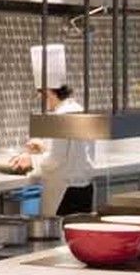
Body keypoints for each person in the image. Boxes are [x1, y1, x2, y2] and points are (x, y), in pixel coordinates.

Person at [29, 40, 98, 222]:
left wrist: (31, 160)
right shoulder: (79, 109)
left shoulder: (60, 117)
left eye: (40, 95)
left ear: (47, 92)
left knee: (59, 237)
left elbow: (55, 160)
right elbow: (74, 152)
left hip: (65, 194)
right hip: (85, 189)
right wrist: (44, 147)